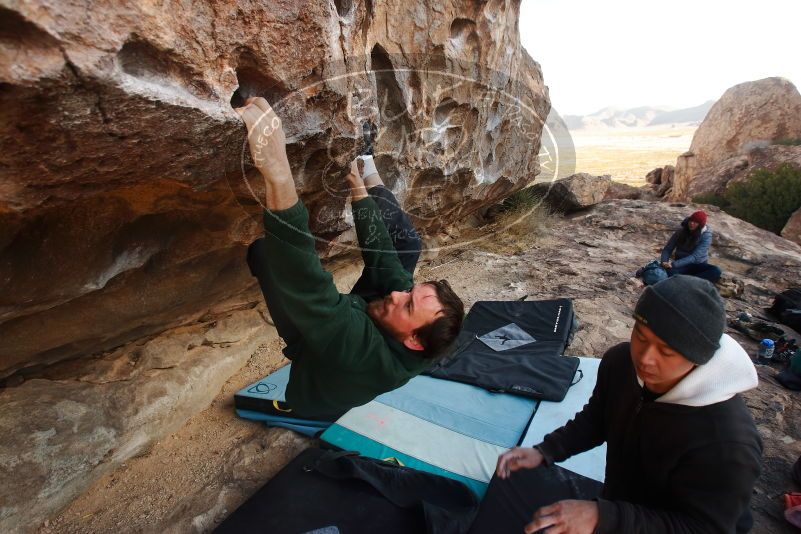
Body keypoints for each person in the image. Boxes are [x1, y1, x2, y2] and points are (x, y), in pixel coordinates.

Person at [236, 97, 464, 419]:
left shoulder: (362, 352)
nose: (398, 295)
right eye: (411, 294)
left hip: (313, 359)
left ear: (414, 341)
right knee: (404, 250)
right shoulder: (419, 331)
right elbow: (384, 258)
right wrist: (359, 192)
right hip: (365, 331)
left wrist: (278, 174)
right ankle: (367, 166)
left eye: (408, 305)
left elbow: (311, 287)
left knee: (267, 253)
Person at [496, 275, 762, 533]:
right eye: (641, 336)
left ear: (697, 357)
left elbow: (703, 527)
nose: (645, 358)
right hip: (622, 506)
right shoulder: (621, 363)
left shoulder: (728, 444)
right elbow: (598, 419)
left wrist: (605, 516)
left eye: (666, 351)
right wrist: (546, 451)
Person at [660, 210, 722, 283]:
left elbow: (695, 257)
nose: (692, 224)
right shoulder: (681, 231)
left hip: (698, 265)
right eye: (691, 220)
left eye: (695, 222)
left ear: (700, 225)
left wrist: (674, 264)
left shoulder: (706, 236)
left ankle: (687, 281)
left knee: (716, 271)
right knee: (669, 271)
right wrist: (664, 261)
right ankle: (692, 282)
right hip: (681, 265)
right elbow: (668, 249)